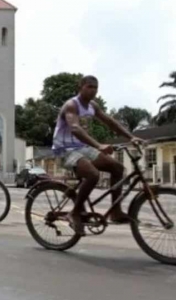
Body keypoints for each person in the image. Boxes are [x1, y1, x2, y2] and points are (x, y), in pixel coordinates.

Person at [52, 75, 143, 235]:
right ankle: (74, 212)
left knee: (117, 168)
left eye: (96, 88)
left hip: (81, 147)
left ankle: (115, 212)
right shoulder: (71, 105)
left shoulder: (93, 106)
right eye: (89, 87)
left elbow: (110, 122)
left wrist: (131, 137)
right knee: (93, 175)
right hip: (64, 149)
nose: (93, 90)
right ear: (80, 87)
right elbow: (75, 128)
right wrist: (99, 145)